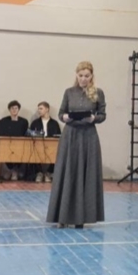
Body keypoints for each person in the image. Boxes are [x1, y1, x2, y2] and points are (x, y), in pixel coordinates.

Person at [47, 61, 106, 228]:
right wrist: (65, 117)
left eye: (87, 76)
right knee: (67, 172)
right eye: (81, 75)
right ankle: (62, 217)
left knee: (86, 174)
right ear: (76, 75)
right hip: (70, 135)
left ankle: (81, 218)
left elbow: (102, 115)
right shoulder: (69, 92)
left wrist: (94, 118)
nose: (83, 79)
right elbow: (60, 113)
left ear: (92, 76)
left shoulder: (98, 93)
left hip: (88, 136)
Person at [29, 101, 61, 183]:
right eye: (38, 109)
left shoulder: (54, 123)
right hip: (38, 144)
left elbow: (58, 136)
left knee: (57, 153)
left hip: (51, 145)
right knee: (33, 151)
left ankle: (49, 173)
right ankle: (38, 172)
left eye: (41, 109)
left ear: (47, 109)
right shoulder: (35, 123)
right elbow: (30, 134)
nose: (39, 111)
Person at [0, 100, 29, 181]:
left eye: (16, 108)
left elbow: (26, 134)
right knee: (4, 152)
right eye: (12, 108)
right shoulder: (4, 121)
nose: (14, 110)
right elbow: (1, 133)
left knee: (22, 152)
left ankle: (13, 171)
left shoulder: (24, 121)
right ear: (9, 110)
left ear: (18, 109)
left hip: (20, 144)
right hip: (7, 144)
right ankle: (12, 170)